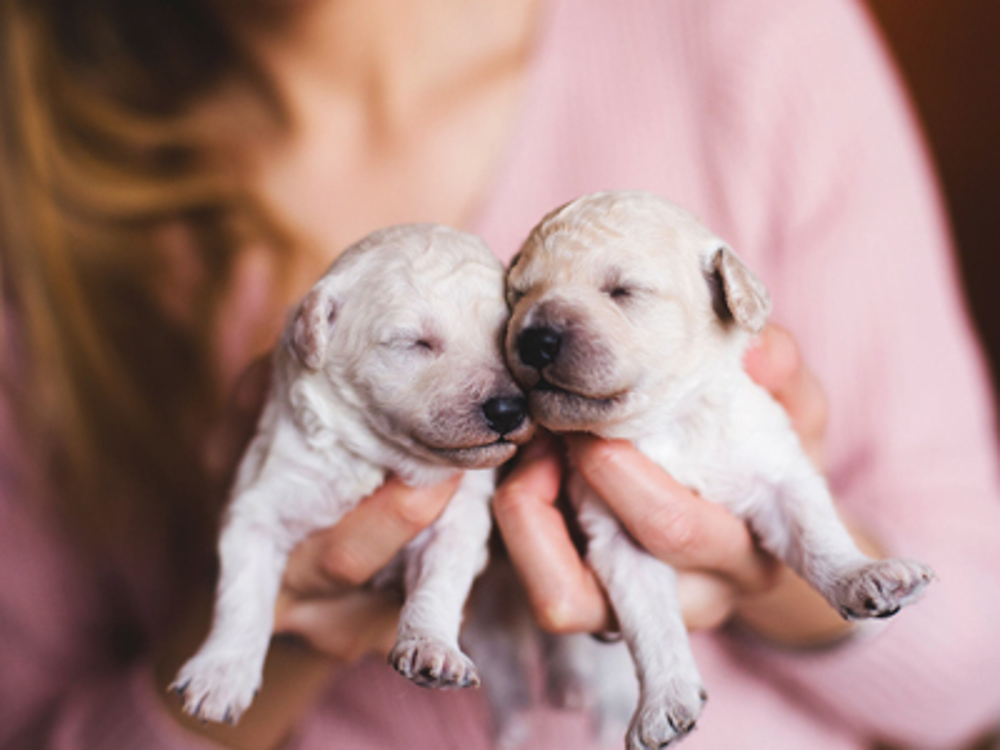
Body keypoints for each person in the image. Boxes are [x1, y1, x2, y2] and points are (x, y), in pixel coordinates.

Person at [2, 0, 999, 748]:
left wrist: (772, 572)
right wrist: (275, 633)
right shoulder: (43, 191)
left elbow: (974, 664)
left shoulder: (744, 35)